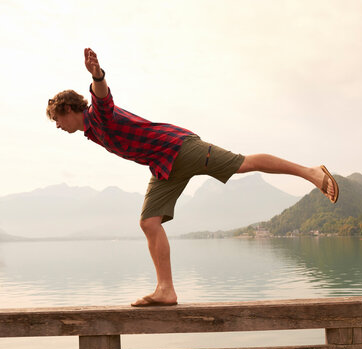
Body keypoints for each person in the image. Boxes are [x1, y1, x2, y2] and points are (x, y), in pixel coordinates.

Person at [46, 48, 340, 307]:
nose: (57, 126)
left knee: (243, 164)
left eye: (57, 119)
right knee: (149, 222)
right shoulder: (92, 131)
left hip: (178, 148)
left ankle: (310, 172)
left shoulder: (98, 116)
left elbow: (103, 98)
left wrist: (98, 75)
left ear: (69, 109)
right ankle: (166, 290)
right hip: (162, 166)